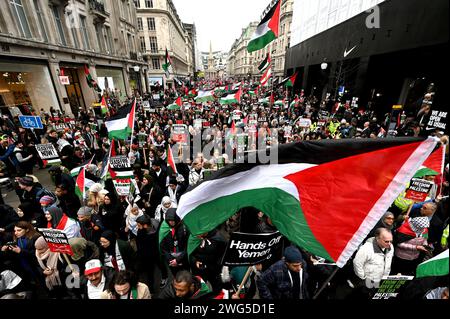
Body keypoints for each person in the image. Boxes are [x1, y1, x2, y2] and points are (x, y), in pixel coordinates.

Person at [352, 228, 394, 295]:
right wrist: (363, 277)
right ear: (378, 239)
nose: (389, 244)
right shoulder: (366, 249)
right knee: (363, 293)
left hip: (380, 278)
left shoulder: (390, 247)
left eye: (390, 241)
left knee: (372, 292)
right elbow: (357, 263)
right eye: (386, 241)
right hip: (368, 279)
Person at [159, 208, 189, 276]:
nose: (171, 222)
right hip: (171, 259)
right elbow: (163, 247)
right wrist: (171, 260)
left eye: (173, 220)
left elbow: (188, 246)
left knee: (186, 275)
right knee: (176, 276)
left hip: (183, 258)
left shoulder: (184, 228)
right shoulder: (164, 228)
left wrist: (178, 260)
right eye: (169, 221)